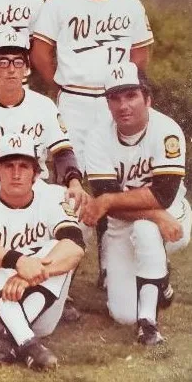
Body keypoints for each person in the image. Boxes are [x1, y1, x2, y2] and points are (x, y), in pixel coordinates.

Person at [81, 63, 190, 345]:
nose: (123, 105)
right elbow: (110, 207)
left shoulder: (167, 130)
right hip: (126, 221)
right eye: (115, 98)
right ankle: (159, 282)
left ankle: (148, 324)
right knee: (121, 314)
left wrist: (109, 200)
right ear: (107, 103)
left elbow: (163, 195)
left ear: (147, 97)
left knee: (145, 229)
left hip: (173, 217)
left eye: (130, 95)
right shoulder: (97, 137)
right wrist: (113, 202)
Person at [0, 133, 85, 370]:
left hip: (40, 313)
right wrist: (17, 261)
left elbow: (75, 248)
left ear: (36, 173)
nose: (16, 173)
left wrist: (27, 276)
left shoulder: (52, 200)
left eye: (23, 166)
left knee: (55, 250)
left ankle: (9, 340)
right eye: (8, 166)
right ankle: (28, 344)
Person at [31, 0, 153, 168]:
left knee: (120, 167)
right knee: (70, 170)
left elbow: (139, 54)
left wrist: (126, 87)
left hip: (116, 98)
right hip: (75, 100)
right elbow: (39, 53)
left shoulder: (130, 5)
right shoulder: (59, 2)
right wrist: (59, 85)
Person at [0, 31, 88, 211]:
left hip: (34, 182)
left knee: (75, 203)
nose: (11, 69)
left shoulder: (44, 105)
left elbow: (63, 152)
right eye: (3, 62)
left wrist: (74, 183)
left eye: (18, 62)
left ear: (27, 69)